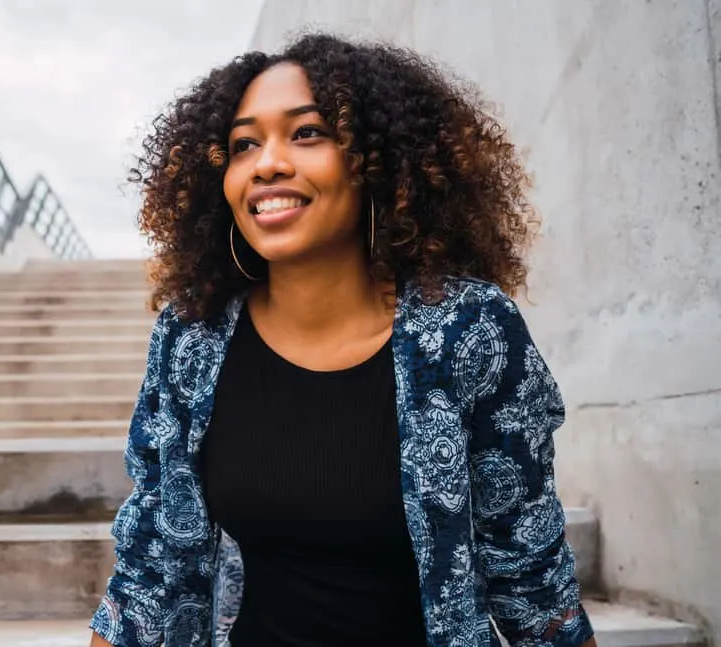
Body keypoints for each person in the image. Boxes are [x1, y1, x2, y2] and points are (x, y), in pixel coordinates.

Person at [89, 32, 596, 647]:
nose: (267, 163)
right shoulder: (190, 339)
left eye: (306, 133)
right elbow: (153, 571)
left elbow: (532, 576)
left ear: (378, 160)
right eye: (243, 144)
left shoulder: (470, 330)